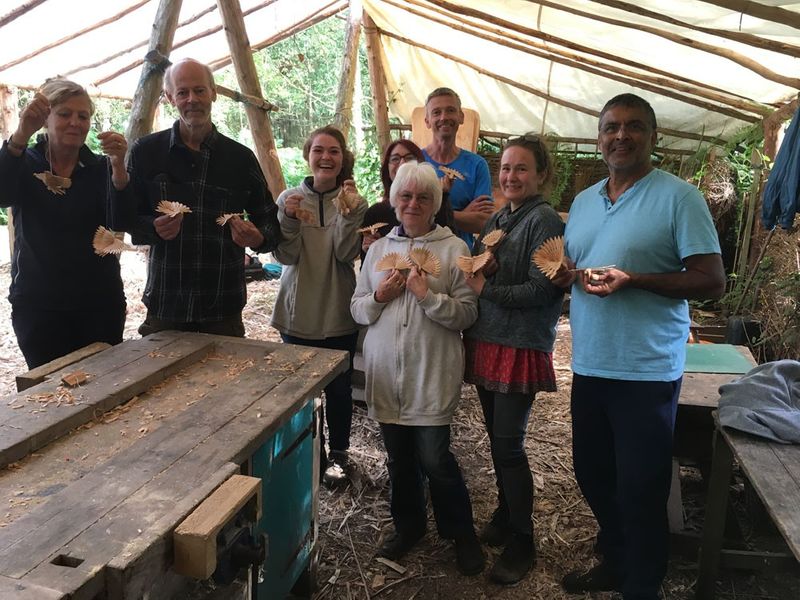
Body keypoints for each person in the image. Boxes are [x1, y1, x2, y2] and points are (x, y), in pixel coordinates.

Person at [552, 94, 725, 600]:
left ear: (654, 137)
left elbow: (711, 280)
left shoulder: (679, 198)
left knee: (641, 486)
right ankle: (617, 560)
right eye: (611, 127)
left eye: (633, 126)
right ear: (599, 138)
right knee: (593, 474)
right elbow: (577, 267)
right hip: (591, 361)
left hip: (647, 369)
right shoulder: (585, 202)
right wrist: (565, 276)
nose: (620, 136)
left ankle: (643, 584)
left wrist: (635, 280)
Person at [351, 161, 484, 576]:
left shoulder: (454, 249)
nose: (413, 204)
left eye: (423, 197)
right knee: (399, 458)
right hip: (386, 372)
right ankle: (409, 526)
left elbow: (467, 313)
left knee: (435, 458)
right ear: (394, 201)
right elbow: (357, 309)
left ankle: (461, 533)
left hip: (431, 370)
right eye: (406, 196)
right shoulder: (378, 250)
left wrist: (428, 297)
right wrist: (380, 295)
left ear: (435, 203)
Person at [115, 58, 280, 337]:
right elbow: (129, 219)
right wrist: (153, 228)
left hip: (223, 308)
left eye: (199, 90)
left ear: (213, 93)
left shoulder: (240, 159)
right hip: (167, 305)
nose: (192, 99)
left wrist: (258, 238)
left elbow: (270, 222)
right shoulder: (146, 152)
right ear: (170, 98)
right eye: (183, 92)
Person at [463, 135, 565, 584]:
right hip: (489, 338)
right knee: (496, 439)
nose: (511, 176)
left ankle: (523, 539)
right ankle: (506, 513)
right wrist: (484, 267)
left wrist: (488, 288)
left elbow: (544, 290)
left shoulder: (543, 220)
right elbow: (483, 264)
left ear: (541, 174)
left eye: (521, 168)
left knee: (508, 445)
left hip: (519, 344)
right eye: (506, 168)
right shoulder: (501, 216)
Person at [0, 79, 130, 369]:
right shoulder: (25, 161)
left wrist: (120, 168)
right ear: (45, 119)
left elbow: (122, 219)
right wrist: (20, 135)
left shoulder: (100, 168)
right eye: (64, 114)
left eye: (83, 116)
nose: (75, 122)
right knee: (48, 388)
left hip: (99, 304)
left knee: (105, 385)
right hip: (39, 306)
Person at [271, 125, 367, 486]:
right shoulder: (289, 199)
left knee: (339, 392)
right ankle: (312, 455)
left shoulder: (356, 202)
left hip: (338, 311)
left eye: (334, 151)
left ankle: (338, 455)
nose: (326, 157)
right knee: (304, 395)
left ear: (343, 159)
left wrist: (348, 212)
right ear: (308, 156)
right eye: (319, 150)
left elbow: (344, 253)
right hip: (297, 312)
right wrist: (288, 218)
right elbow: (285, 256)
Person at [421, 87, 493, 250]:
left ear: (461, 117)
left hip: (461, 256)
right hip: (422, 254)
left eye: (450, 110)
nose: (444, 117)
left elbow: (483, 223)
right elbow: (409, 215)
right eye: (436, 112)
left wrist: (434, 213)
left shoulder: (477, 165)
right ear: (427, 121)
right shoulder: (417, 162)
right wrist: (464, 214)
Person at [360, 139, 454, 259]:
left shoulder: (439, 207)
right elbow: (366, 265)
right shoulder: (375, 213)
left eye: (409, 158)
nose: (402, 163)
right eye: (395, 159)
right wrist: (373, 252)